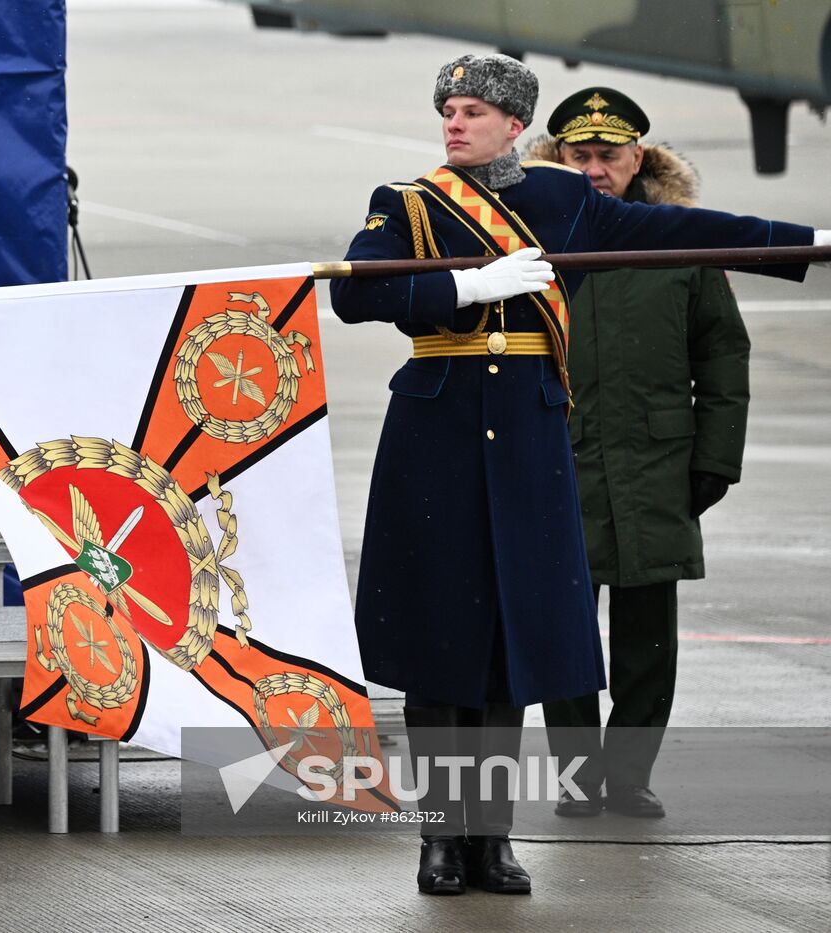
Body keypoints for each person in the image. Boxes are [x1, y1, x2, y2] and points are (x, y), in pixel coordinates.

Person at [329, 54, 828, 896]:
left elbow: (677, 232)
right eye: (449, 110)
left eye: (473, 111)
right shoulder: (408, 202)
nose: (455, 122)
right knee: (440, 645)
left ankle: (491, 840)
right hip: (438, 438)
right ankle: (440, 838)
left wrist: (805, 243)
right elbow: (355, 293)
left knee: (509, 648)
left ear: (515, 125)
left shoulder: (563, 201)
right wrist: (464, 286)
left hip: (527, 437)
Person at [525, 88, 749, 820]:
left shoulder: (680, 242)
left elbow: (722, 352)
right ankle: (577, 777)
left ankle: (628, 776)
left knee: (649, 638)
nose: (594, 170)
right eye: (578, 156)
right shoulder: (527, 240)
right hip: (559, 461)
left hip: (658, 464)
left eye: (608, 155)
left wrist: (715, 459)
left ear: (638, 158)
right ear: (558, 157)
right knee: (564, 633)